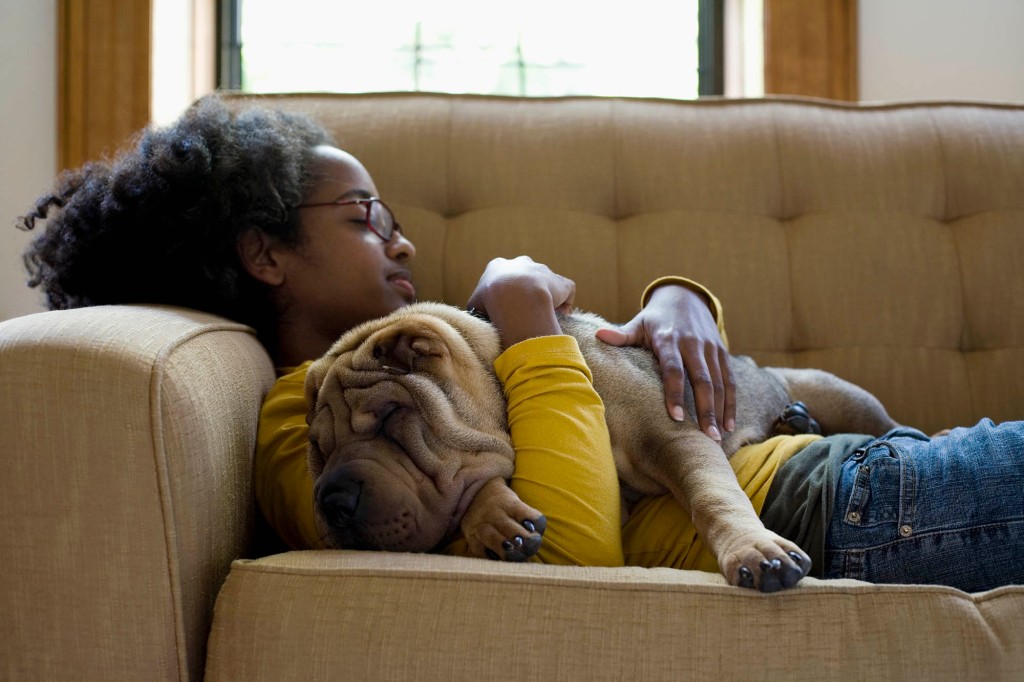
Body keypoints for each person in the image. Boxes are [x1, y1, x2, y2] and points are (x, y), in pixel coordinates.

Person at [18, 95, 1023, 594]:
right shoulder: (299, 418)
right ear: (264, 253)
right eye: (365, 216)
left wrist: (681, 300)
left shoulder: (423, 344)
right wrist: (530, 325)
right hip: (823, 505)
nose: (400, 239)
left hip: (825, 464)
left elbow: (613, 385)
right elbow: (572, 542)